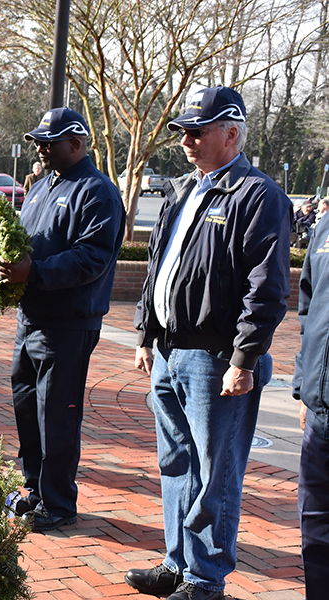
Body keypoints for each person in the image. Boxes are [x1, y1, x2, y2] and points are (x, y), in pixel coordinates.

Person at [128, 86, 291, 600]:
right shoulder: (183, 189)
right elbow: (161, 267)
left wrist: (245, 358)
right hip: (170, 352)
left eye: (198, 131)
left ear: (232, 133)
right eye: (183, 131)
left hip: (216, 358)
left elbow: (266, 287)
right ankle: (177, 564)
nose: (186, 140)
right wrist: (145, 332)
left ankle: (205, 580)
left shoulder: (257, 195)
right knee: (176, 463)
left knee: (213, 474)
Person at [0, 107, 125, 531]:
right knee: (27, 409)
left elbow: (93, 257)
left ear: (77, 143)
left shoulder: (97, 191)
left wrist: (35, 271)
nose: (40, 149)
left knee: (57, 415)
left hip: (67, 324)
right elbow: (21, 241)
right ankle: (33, 489)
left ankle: (58, 502)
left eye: (48, 143)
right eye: (37, 142)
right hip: (31, 317)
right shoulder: (40, 187)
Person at [296, 209, 329, 600]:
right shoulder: (324, 227)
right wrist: (304, 386)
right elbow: (308, 311)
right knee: (316, 532)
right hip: (319, 415)